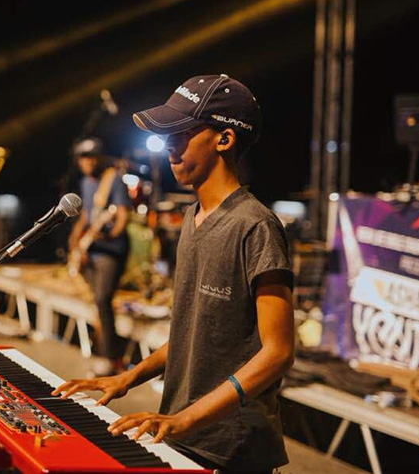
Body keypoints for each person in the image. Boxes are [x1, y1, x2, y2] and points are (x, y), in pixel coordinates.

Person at [54, 75, 294, 474]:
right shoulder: (192, 218)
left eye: (181, 133)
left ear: (225, 140)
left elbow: (279, 352)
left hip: (232, 449)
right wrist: (127, 377)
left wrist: (188, 418)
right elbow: (191, 332)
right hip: (185, 434)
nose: (169, 147)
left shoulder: (255, 226)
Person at [67, 137, 131, 376]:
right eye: (83, 158)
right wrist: (76, 239)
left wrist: (111, 234)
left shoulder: (112, 179)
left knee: (104, 299)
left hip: (110, 252)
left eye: (91, 157)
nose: (87, 162)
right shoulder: (86, 182)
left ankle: (111, 359)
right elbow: (87, 215)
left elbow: (122, 215)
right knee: (96, 302)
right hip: (91, 250)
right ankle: (104, 352)